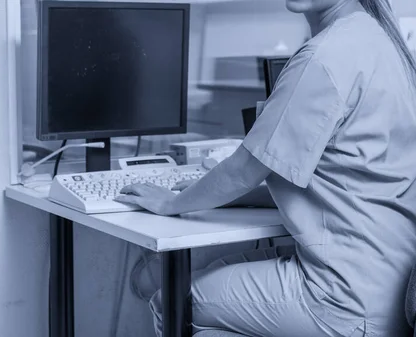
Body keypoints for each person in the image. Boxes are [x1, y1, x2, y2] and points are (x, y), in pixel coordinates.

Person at [115, 0, 416, 335]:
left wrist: (170, 203)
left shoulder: (326, 56)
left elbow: (242, 170)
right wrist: (220, 196)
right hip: (387, 287)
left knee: (171, 300)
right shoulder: (384, 42)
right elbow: (346, 180)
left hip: (342, 297)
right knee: (213, 289)